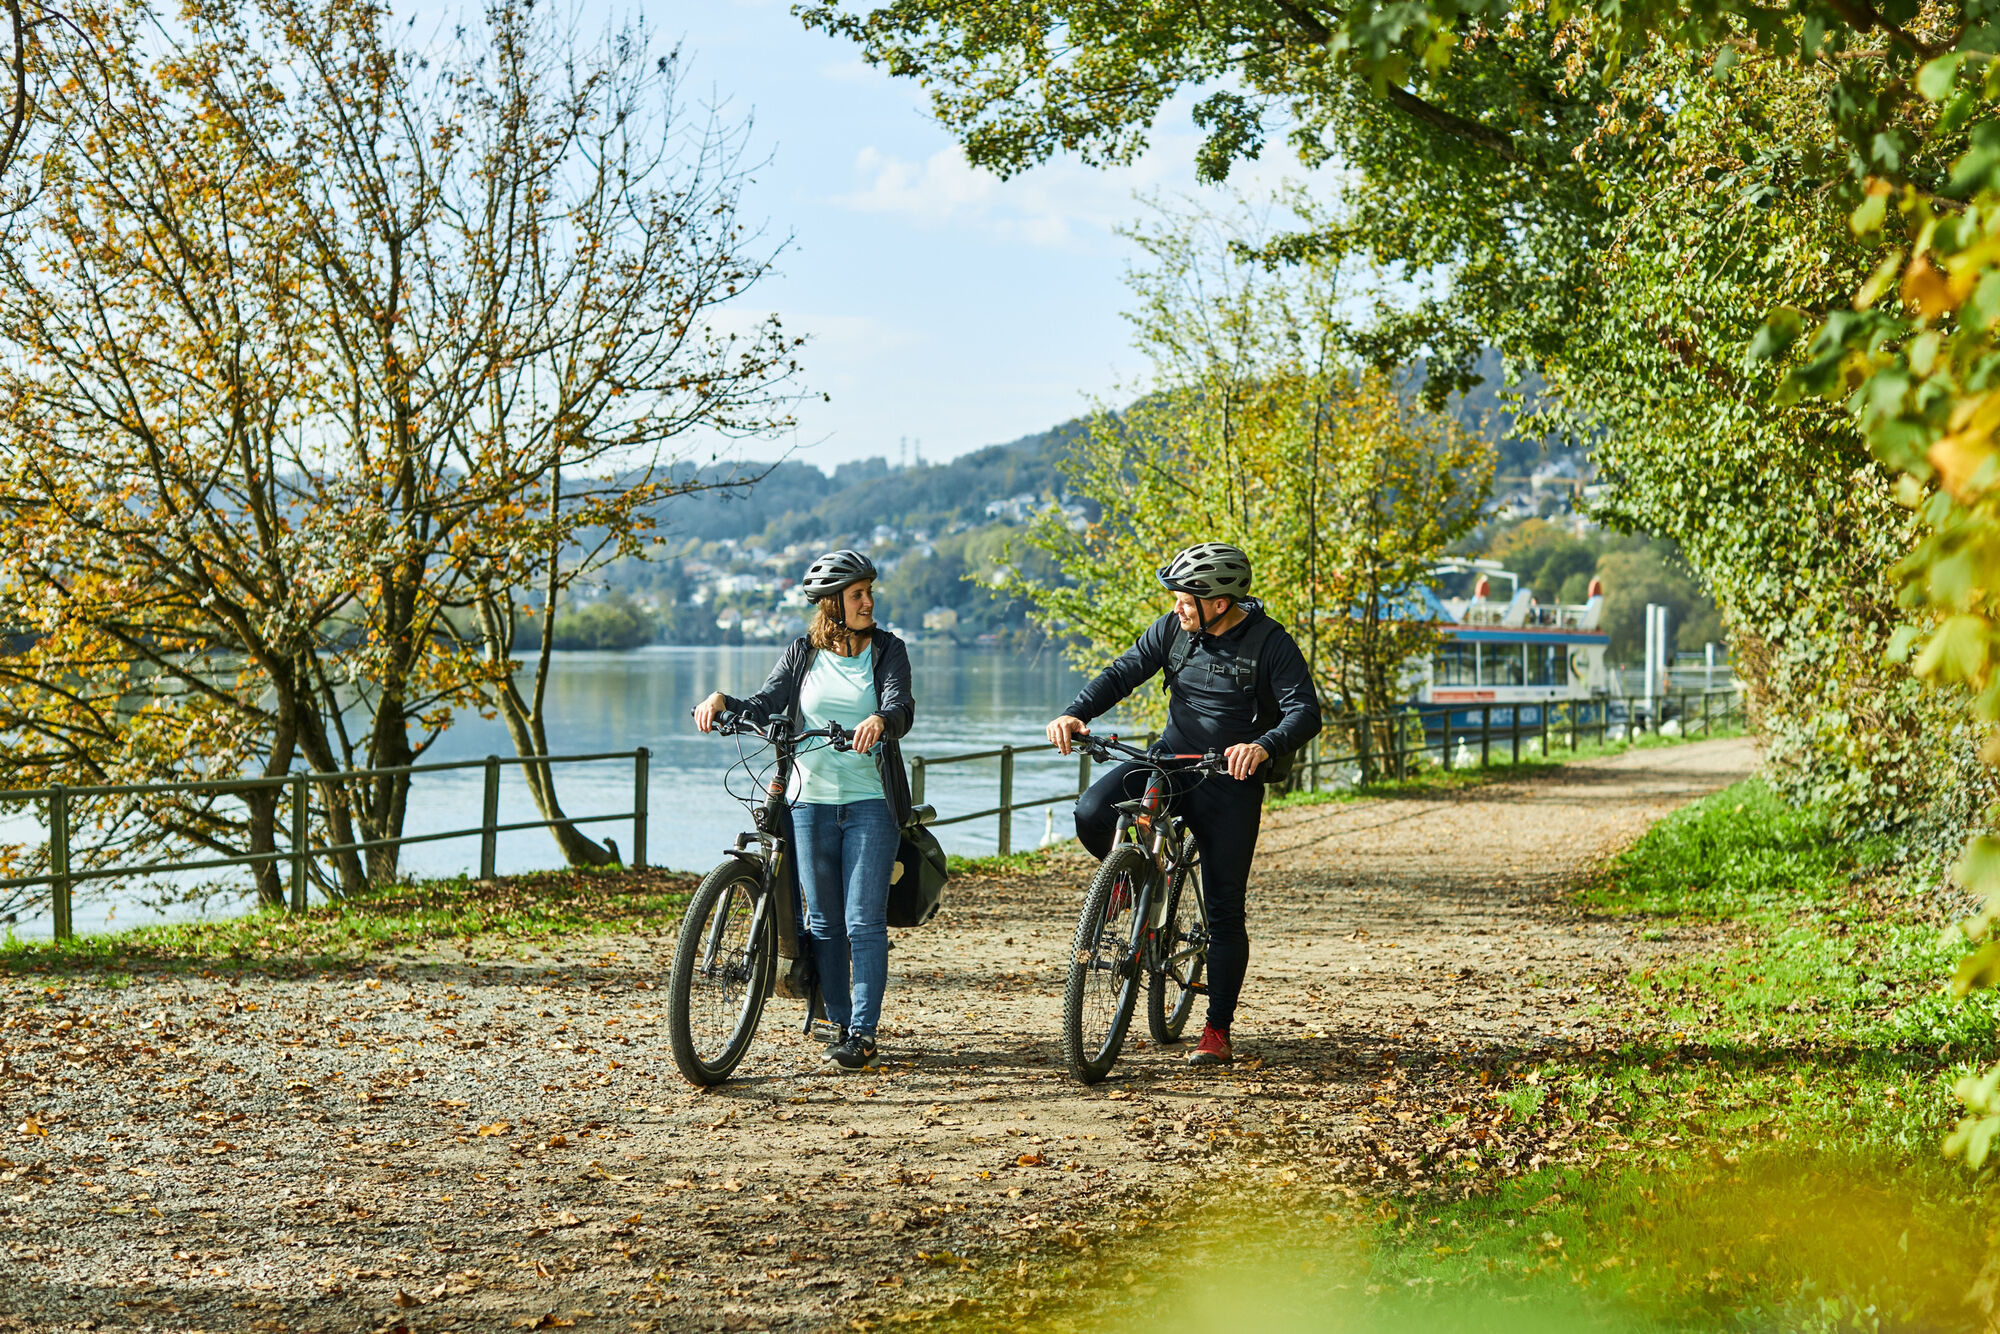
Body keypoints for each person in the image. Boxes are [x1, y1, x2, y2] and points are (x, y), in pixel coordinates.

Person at [1046, 542, 1321, 1067]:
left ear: (1219, 602)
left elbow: (1304, 711)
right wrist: (1076, 712)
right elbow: (1123, 671)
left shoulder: (1271, 643)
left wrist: (1262, 746)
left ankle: (1217, 1029)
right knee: (1092, 811)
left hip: (1230, 782)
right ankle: (1130, 883)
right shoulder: (1173, 630)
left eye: (1186, 599)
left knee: (1223, 910)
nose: (1176, 606)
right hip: (1170, 761)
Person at [692, 550, 915, 1073]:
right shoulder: (803, 653)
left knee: (863, 921)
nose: (868, 601)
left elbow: (901, 704)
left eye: (869, 592)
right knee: (825, 922)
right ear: (832, 604)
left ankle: (863, 1034)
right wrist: (722, 700)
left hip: (870, 802)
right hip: (808, 802)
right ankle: (839, 1022)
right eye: (857, 594)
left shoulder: (888, 650)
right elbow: (766, 702)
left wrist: (882, 720)